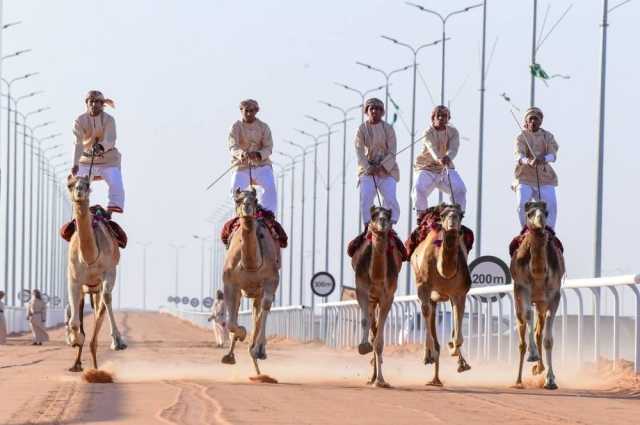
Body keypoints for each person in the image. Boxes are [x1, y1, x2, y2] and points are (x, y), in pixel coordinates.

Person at [71, 90, 125, 215]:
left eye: (98, 102)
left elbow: (110, 139)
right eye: (92, 101)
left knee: (116, 181)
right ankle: (79, 213)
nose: (94, 104)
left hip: (108, 160)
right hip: (86, 160)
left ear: (102, 105)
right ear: (87, 103)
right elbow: (77, 143)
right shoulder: (80, 120)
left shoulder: (109, 120)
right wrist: (75, 164)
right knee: (78, 185)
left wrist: (101, 146)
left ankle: (110, 212)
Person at [412, 105, 467, 223]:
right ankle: (421, 215)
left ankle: (458, 215)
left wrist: (448, 157)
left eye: (444, 116)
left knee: (460, 189)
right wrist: (439, 158)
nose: (441, 118)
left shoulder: (453, 132)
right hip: (426, 168)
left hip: (445, 168)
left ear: (448, 118)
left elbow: (454, 148)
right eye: (439, 116)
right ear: (433, 118)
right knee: (418, 187)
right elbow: (431, 148)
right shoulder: (428, 132)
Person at [355, 97, 400, 227]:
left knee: (390, 198)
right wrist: (369, 167)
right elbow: (359, 151)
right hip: (368, 171)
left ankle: (390, 224)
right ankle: (368, 226)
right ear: (367, 111)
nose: (374, 111)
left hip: (387, 170)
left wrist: (382, 166)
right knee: (366, 199)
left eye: (378, 109)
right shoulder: (362, 129)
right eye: (371, 108)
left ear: (382, 112)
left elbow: (392, 151)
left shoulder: (388, 129)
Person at [513, 107, 559, 229]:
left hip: (545, 178)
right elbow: (518, 155)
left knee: (551, 205)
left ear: (540, 122)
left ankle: (549, 231)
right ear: (526, 122)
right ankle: (524, 229)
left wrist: (542, 159)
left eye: (536, 119)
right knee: (521, 204)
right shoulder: (521, 137)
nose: (533, 121)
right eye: (531, 119)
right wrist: (528, 161)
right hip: (524, 177)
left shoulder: (548, 136)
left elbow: (553, 155)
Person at [228, 99, 277, 214]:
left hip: (262, 165)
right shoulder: (235, 127)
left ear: (257, 111)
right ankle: (238, 216)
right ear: (241, 110)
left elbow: (268, 147)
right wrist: (242, 154)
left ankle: (268, 217)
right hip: (242, 166)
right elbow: (233, 146)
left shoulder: (264, 127)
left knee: (270, 189)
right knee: (234, 190)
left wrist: (258, 154)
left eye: (252, 111)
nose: (249, 113)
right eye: (246, 111)